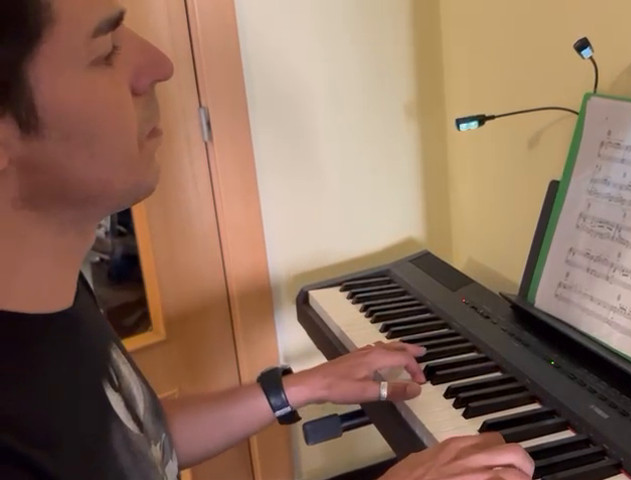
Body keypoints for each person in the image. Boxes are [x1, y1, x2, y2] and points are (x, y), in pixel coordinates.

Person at [0, 1, 535, 479]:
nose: (158, 65)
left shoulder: (47, 290)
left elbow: (135, 441)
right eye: (106, 49)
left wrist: (299, 388)